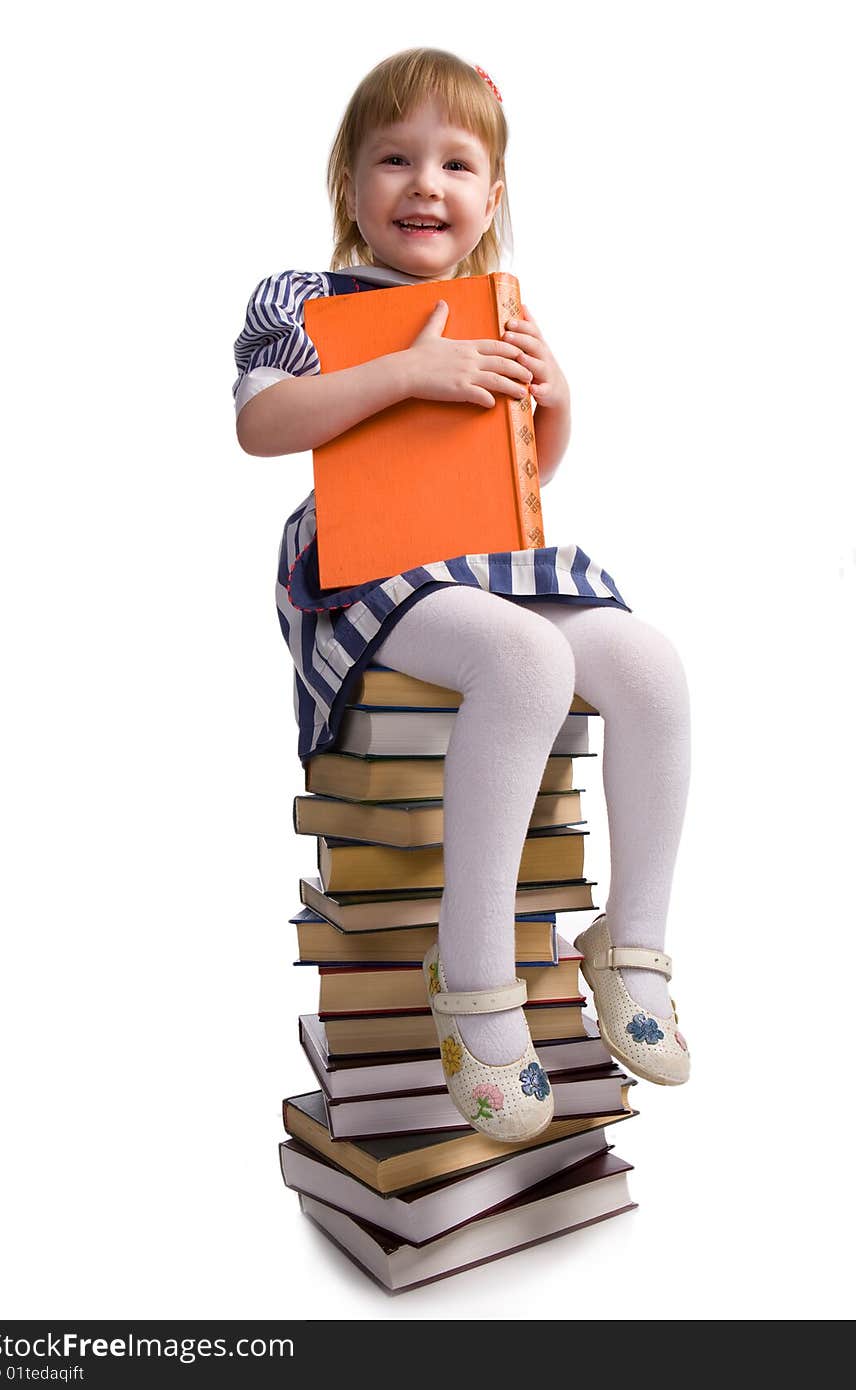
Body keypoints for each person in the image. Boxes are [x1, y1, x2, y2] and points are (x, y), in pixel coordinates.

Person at [232, 47, 692, 1143]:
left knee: (647, 660)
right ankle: (475, 979)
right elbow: (260, 424)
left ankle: (629, 940)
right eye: (394, 159)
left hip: (481, 556)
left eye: (455, 163)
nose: (424, 184)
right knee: (528, 659)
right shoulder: (310, 300)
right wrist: (405, 372)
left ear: (490, 201)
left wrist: (555, 398)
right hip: (363, 566)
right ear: (350, 185)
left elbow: (517, 479)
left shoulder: (499, 311)